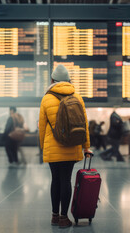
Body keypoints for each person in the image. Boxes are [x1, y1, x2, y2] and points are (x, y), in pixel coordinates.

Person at [39, 64, 91, 228]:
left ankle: (54, 216)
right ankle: (63, 217)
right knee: (66, 180)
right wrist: (86, 147)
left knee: (55, 180)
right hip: (71, 146)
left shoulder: (46, 98)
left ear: (52, 79)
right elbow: (84, 125)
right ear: (69, 80)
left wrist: (43, 147)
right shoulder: (78, 97)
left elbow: (41, 126)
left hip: (53, 148)